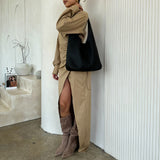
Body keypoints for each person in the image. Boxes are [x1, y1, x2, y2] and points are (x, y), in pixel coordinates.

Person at [52, 0, 91, 158]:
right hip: (64, 68)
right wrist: (56, 66)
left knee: (79, 105)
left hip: (77, 67)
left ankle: (74, 139)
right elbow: (58, 44)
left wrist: (75, 8)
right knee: (63, 102)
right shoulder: (67, 17)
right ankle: (66, 136)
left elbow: (60, 25)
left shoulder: (82, 15)